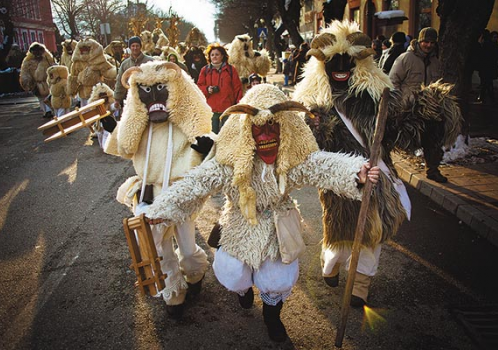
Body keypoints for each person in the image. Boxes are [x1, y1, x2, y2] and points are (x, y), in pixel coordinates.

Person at [145, 84, 380, 342]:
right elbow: (196, 183)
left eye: (273, 126)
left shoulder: (289, 160)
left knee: (278, 278)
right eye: (259, 127)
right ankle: (243, 290)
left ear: (285, 127)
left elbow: (320, 165)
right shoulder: (230, 164)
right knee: (232, 272)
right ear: (246, 129)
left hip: (277, 227)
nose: (267, 134)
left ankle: (271, 315)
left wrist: (355, 172)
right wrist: (164, 209)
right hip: (240, 224)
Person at [294, 20, 461, 307]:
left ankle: (360, 283)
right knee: (340, 233)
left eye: (348, 61)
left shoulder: (377, 98)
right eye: (334, 61)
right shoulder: (315, 104)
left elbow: (401, 130)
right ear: (323, 66)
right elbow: (307, 150)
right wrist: (319, 127)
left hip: (377, 175)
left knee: (373, 234)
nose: (341, 67)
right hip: (340, 181)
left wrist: (426, 108)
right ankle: (330, 263)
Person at [104, 61, 213, 319]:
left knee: (187, 246)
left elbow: (207, 147)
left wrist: (207, 150)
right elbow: (125, 146)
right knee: (160, 247)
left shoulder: (185, 123)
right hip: (151, 193)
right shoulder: (142, 125)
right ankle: (173, 292)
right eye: (146, 90)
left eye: (161, 88)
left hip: (180, 193)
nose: (153, 96)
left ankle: (195, 272)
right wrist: (113, 129)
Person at [389, 27, 447, 183]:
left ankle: (433, 170)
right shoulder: (405, 58)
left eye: (432, 42)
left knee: (433, 140)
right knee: (402, 141)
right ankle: (391, 167)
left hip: (430, 109)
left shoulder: (435, 62)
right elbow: (393, 82)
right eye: (425, 42)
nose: (428, 45)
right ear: (419, 41)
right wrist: (400, 102)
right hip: (409, 108)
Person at [197, 43, 242, 133]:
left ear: (222, 56)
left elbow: (237, 88)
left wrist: (239, 106)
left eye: (217, 54)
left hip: (227, 109)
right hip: (211, 110)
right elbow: (199, 87)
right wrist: (207, 89)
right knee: (213, 135)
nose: (214, 57)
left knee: (227, 134)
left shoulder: (230, 70)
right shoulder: (204, 70)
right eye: (212, 55)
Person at [113, 36, 154, 110]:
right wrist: (117, 99)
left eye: (137, 46)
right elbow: (120, 81)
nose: (135, 48)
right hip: (131, 98)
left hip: (149, 97)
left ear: (140, 47)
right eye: (133, 46)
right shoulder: (125, 64)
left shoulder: (150, 61)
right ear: (130, 47)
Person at [19, 42, 55, 118]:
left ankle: (48, 110)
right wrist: (26, 81)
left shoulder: (47, 58)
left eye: (39, 51)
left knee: (47, 96)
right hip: (36, 83)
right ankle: (46, 111)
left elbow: (53, 66)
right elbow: (25, 71)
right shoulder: (28, 61)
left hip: (47, 81)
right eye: (35, 52)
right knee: (41, 97)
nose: (38, 54)